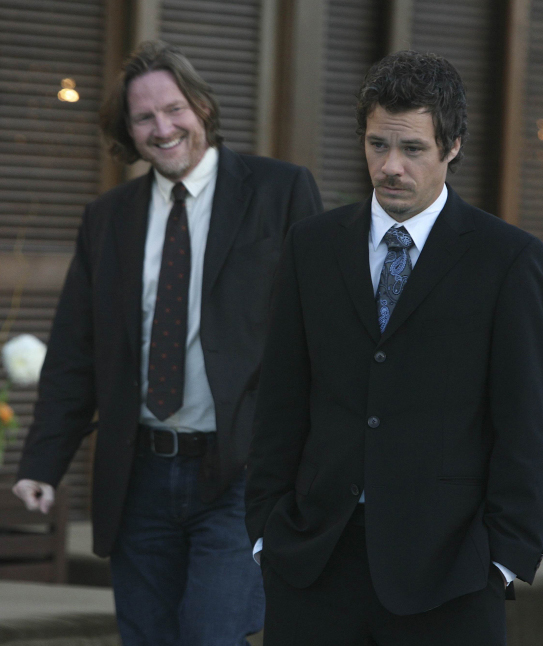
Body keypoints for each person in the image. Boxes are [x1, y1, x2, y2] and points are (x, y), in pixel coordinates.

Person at [13, 40, 322, 646]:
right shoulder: (107, 218)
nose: (162, 128)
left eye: (174, 109)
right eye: (144, 117)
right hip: (138, 478)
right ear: (127, 131)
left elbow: (321, 329)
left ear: (201, 107)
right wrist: (43, 462)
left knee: (214, 634)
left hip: (240, 471)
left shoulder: (280, 190)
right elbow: (75, 351)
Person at [245, 50, 543, 646]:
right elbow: (280, 398)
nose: (391, 166)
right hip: (313, 562)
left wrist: (502, 560)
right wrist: (265, 531)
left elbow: (526, 424)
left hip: (451, 573)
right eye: (377, 145)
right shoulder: (311, 246)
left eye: (412, 148)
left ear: (452, 146)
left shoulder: (506, 259)